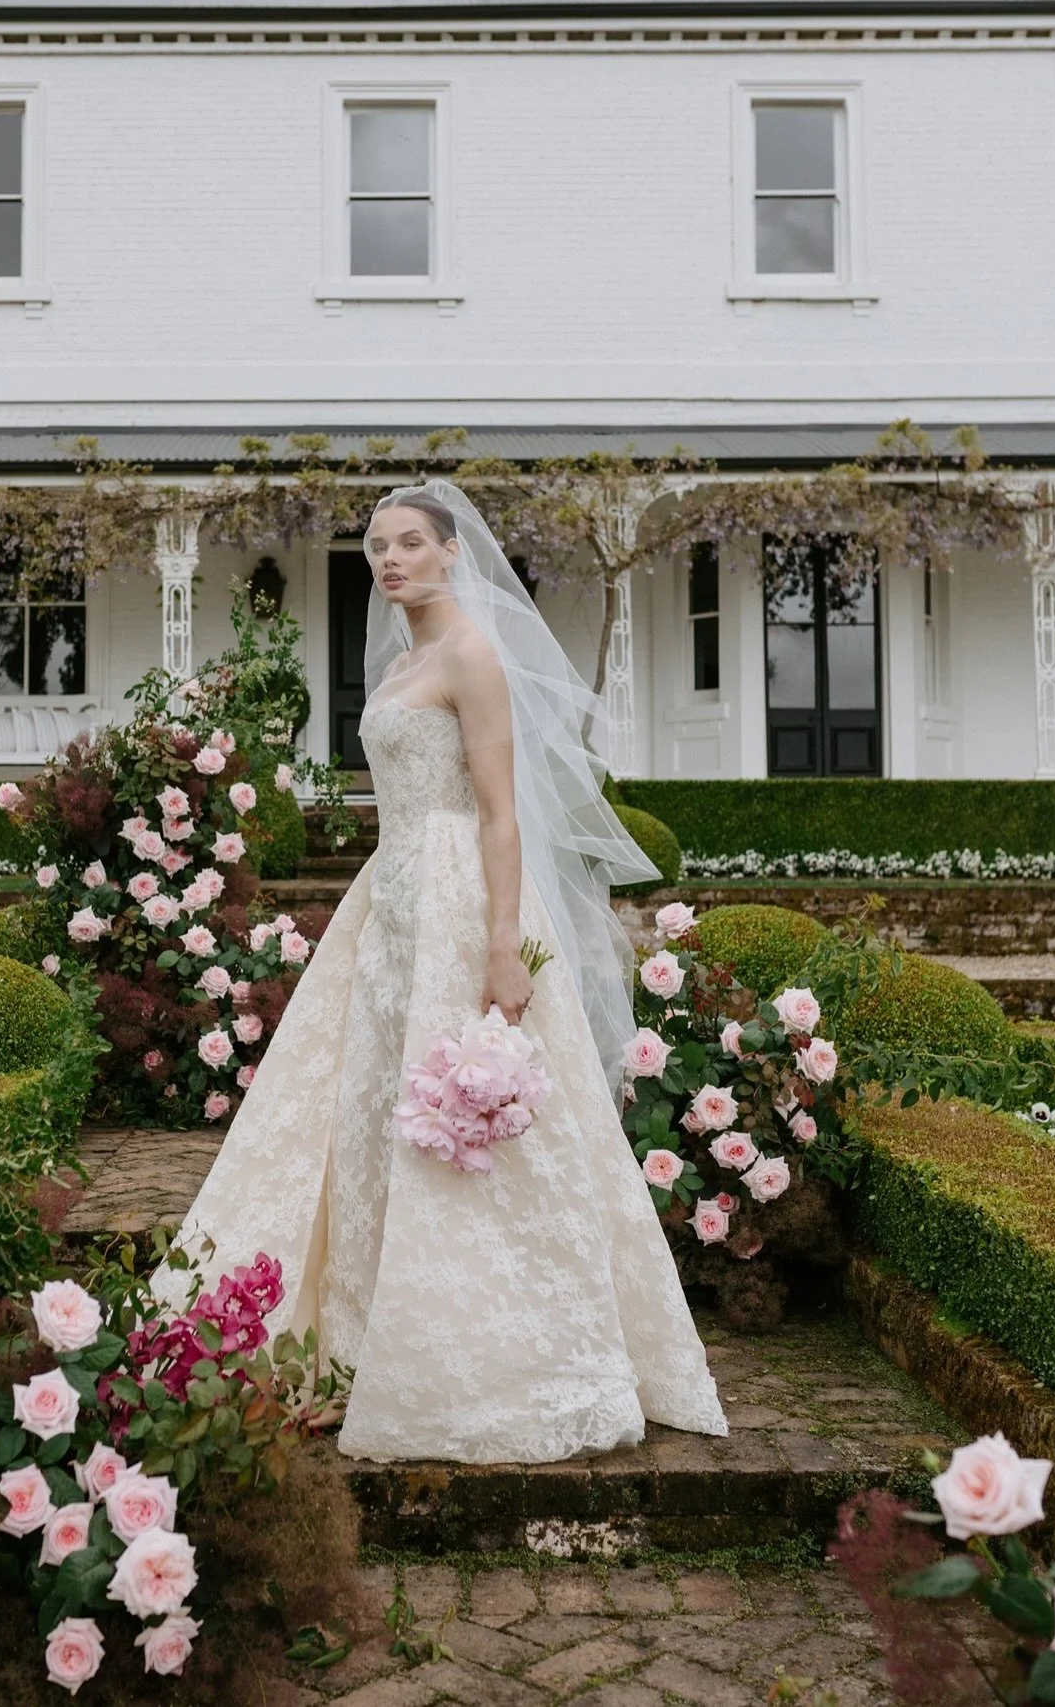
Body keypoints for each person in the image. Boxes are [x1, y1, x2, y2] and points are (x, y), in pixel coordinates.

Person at [163, 480, 726, 1463]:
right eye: (378, 545)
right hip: (390, 904)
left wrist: (502, 944)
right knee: (371, 1109)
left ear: (452, 551)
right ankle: (352, 1345)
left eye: (410, 542)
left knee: (465, 1122)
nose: (390, 559)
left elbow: (501, 812)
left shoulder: (471, 655)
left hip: (462, 902)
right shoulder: (404, 662)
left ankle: (485, 1359)